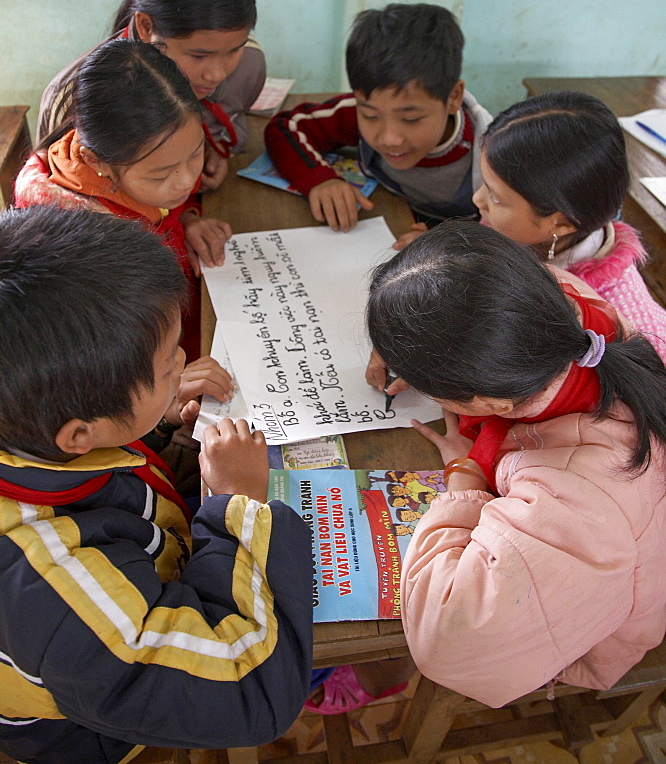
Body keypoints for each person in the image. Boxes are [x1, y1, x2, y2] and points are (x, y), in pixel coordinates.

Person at [0, 206, 314, 763]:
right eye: (169, 363)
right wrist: (235, 503)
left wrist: (160, 426)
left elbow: (105, 481)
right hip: (96, 730)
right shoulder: (52, 580)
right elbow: (249, 690)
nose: (185, 361)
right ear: (81, 432)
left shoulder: (31, 429)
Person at [362, 221, 666, 708]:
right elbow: (471, 291)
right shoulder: (562, 309)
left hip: (594, 631)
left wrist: (465, 475)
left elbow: (451, 635)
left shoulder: (583, 493)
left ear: (492, 404)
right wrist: (407, 332)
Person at [16, 39, 231, 365]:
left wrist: (185, 220)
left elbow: (166, 203)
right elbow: (102, 363)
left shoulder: (141, 160)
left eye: (196, 154)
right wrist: (169, 391)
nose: (187, 180)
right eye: (161, 175)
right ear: (98, 162)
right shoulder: (80, 250)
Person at [37, 0, 266, 191]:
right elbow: (55, 201)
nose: (216, 74)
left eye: (234, 50)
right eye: (199, 56)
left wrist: (214, 150)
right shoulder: (72, 101)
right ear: (146, 27)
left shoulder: (249, 63)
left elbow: (228, 121)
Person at [265, 3, 492, 234]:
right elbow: (285, 128)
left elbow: (510, 244)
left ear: (453, 97)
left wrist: (443, 249)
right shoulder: (371, 104)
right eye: (370, 116)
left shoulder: (493, 161)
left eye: (411, 119)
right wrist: (320, 179)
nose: (389, 138)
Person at [474, 91, 666, 361]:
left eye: (495, 197)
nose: (477, 199)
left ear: (561, 223)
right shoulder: (511, 229)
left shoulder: (625, 327)